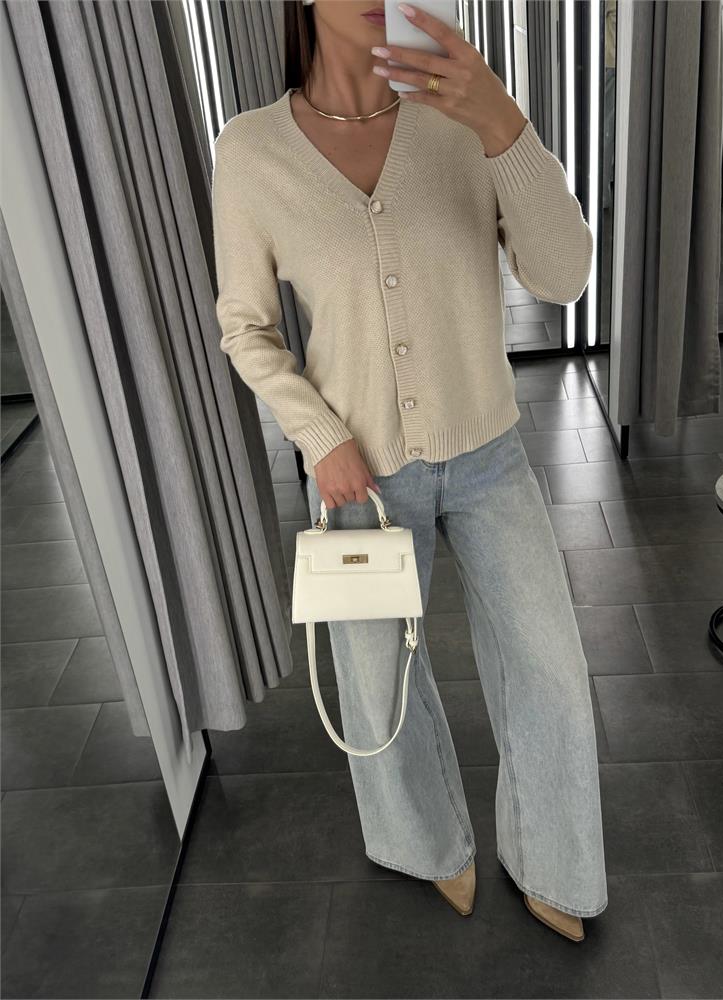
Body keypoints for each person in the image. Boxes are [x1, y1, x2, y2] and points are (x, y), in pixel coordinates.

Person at [212, 0, 608, 942]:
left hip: (489, 452)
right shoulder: (252, 151)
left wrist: (503, 121)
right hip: (360, 478)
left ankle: (553, 855)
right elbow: (246, 327)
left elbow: (564, 277)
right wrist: (318, 434)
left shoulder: (462, 120)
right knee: (376, 679)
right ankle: (425, 842)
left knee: (550, 666)